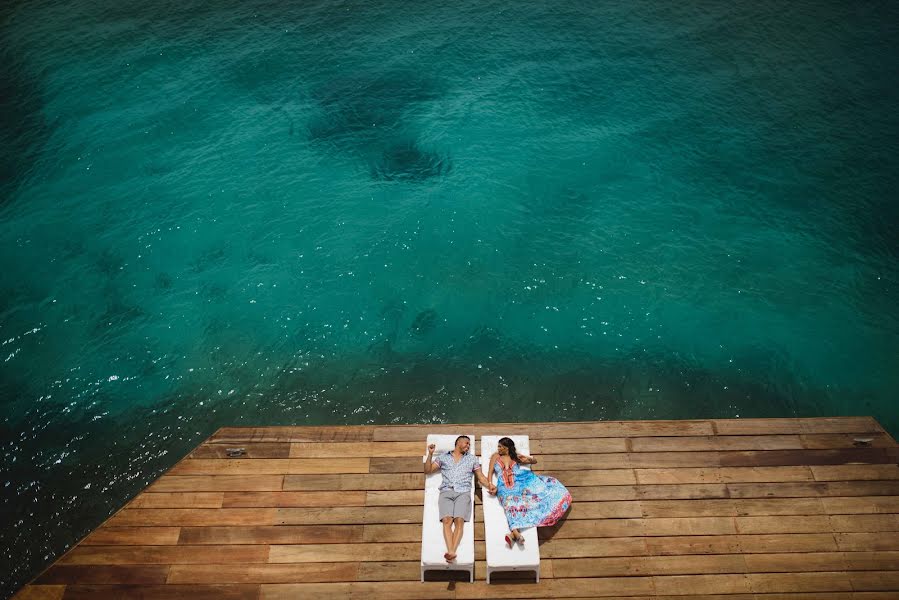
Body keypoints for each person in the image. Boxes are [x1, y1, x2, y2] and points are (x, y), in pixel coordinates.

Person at [486, 437, 572, 547]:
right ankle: (516, 534)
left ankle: (514, 534)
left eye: (500, 446)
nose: (498, 448)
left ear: (506, 448)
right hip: (503, 485)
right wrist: (490, 483)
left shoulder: (515, 457)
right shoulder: (495, 456)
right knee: (509, 504)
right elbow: (490, 471)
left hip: (521, 481)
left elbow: (535, 461)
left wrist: (528, 458)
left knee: (532, 500)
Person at [424, 435, 496, 562]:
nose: (468, 446)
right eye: (466, 443)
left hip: (463, 493)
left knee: (459, 520)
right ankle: (451, 552)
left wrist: (490, 485)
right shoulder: (443, 457)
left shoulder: (472, 459)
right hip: (446, 491)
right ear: (458, 443)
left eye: (469, 445)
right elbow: (428, 470)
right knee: (447, 520)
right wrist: (430, 454)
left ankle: (451, 552)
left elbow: (481, 477)